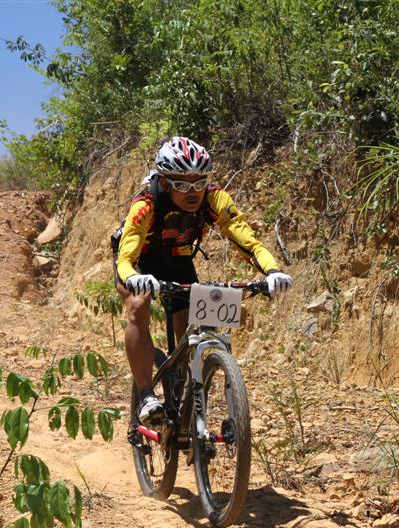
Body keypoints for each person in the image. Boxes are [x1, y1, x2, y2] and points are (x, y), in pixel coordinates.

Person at [113, 137, 293, 423]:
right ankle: (146, 395)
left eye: (199, 183)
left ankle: (186, 396)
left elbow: (246, 239)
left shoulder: (213, 198)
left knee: (192, 328)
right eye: (183, 185)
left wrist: (272, 271)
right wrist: (134, 278)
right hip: (140, 262)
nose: (193, 192)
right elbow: (125, 259)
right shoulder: (146, 204)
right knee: (138, 305)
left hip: (178, 261)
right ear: (165, 182)